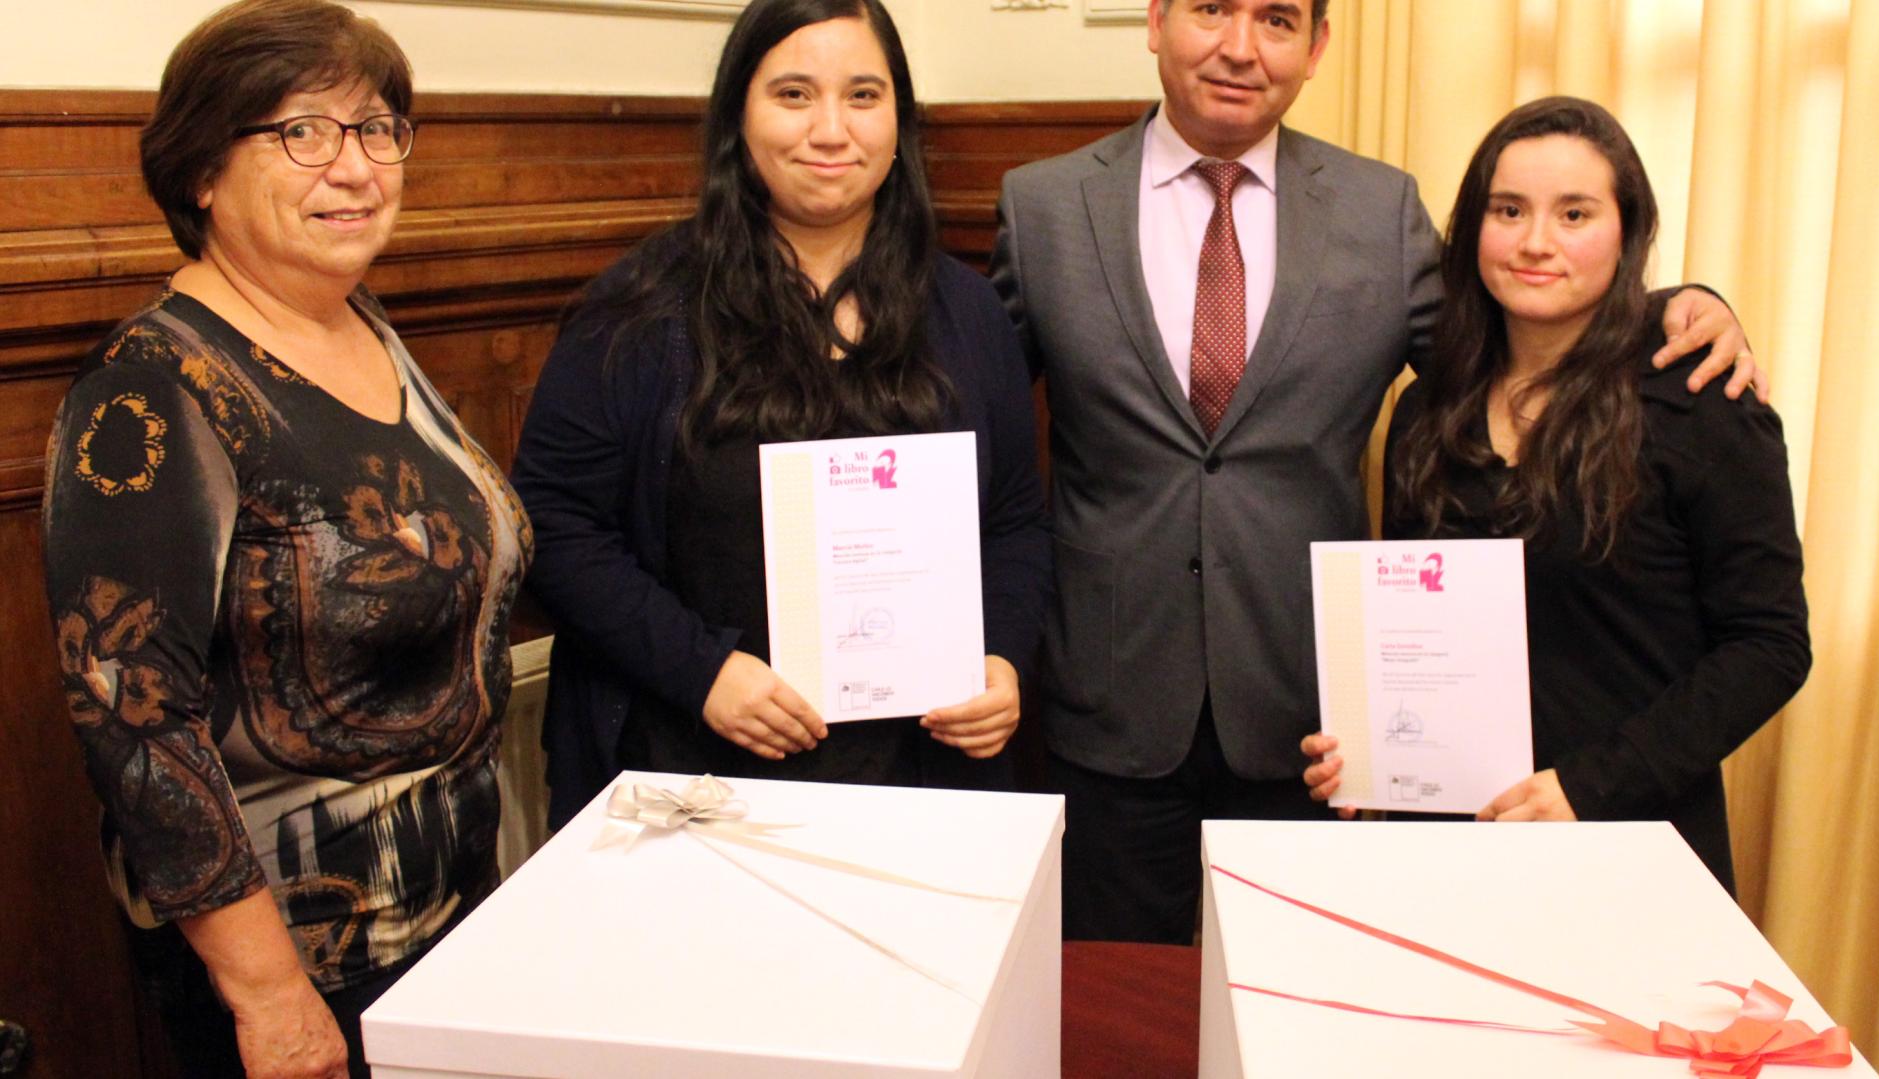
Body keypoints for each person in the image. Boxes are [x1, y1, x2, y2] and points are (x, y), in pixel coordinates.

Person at [989, 0, 1762, 943]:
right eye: (1210, 10)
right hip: (1108, 711)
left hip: (1315, 729)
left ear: (1315, 49)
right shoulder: (1042, 206)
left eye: (1276, 19)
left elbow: (1507, 344)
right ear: (1155, 21)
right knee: (1118, 1015)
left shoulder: (1380, 208)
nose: (1240, 46)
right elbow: (974, 428)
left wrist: (1679, 305)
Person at [39, 2, 529, 1076]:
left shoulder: (365, 325)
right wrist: (267, 993)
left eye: (377, 128)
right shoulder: (150, 390)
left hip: (452, 914)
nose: (354, 167)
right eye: (302, 131)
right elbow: (134, 719)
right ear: (201, 170)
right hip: (301, 966)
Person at [512, 0, 1050, 829]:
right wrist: (704, 672)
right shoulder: (640, 309)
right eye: (794, 94)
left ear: (899, 120)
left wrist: (1002, 659)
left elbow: (1014, 521)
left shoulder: (969, 312)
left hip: (920, 785)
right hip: (696, 778)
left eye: (863, 96)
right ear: (739, 113)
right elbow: (553, 520)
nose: (831, 130)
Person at [1302, 97, 1809, 896]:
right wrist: (1370, 752)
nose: (1536, 242)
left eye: (1574, 213)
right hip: (1450, 854)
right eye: (1509, 211)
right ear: (1472, 229)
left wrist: (1587, 788)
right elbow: (1411, 624)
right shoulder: (1428, 408)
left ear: (1625, 230)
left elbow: (1769, 646)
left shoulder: (1703, 398)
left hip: (1633, 850)